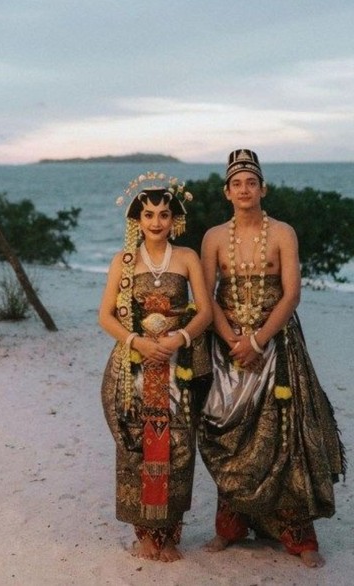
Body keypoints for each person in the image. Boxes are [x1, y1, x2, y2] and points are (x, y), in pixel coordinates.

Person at [198, 149, 346, 567]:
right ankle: (230, 527)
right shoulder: (212, 237)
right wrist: (232, 342)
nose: (244, 189)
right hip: (228, 347)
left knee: (287, 435)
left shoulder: (282, 232)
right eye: (236, 183)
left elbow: (292, 293)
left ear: (263, 188)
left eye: (251, 182)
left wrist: (258, 340)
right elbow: (206, 297)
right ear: (227, 192)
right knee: (229, 432)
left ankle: (299, 535)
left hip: (277, 343)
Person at [99, 177, 212, 562]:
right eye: (148, 215)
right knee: (137, 444)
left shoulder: (187, 258)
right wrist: (138, 343)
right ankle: (145, 533)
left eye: (164, 214)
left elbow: (206, 311)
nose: (156, 221)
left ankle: (170, 532)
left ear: (174, 219)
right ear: (137, 220)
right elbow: (106, 315)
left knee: (178, 445)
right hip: (134, 367)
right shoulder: (124, 262)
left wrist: (179, 338)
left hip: (177, 367)